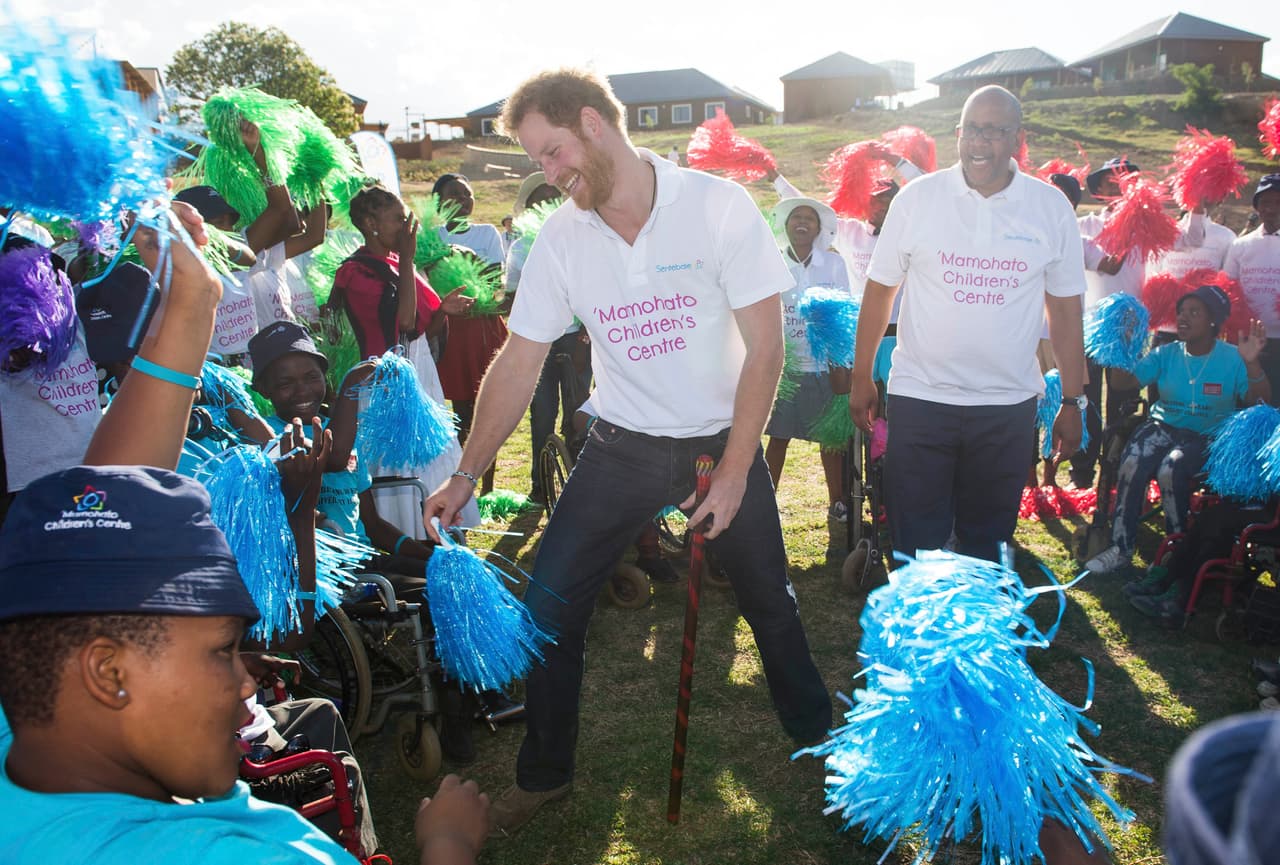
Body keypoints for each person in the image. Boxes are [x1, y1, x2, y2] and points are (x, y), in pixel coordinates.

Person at [424, 68, 832, 836]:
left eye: (551, 153)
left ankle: (816, 733)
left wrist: (740, 468)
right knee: (546, 608)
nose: (547, 175)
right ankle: (544, 775)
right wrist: (466, 470)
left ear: (592, 122)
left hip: (720, 445)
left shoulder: (715, 206)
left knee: (769, 598)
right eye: (538, 162)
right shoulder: (561, 238)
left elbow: (766, 347)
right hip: (620, 447)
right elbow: (520, 360)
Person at [848, 85, 1087, 563]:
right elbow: (880, 292)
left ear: (1018, 138)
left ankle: (973, 633)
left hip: (1006, 405)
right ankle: (919, 635)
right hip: (922, 398)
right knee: (916, 543)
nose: (981, 142)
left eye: (995, 131)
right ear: (958, 133)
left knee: (985, 543)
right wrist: (860, 377)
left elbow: (1063, 311)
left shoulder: (1050, 208)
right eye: (972, 129)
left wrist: (1075, 400)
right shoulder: (918, 198)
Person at [1083, 285, 1270, 576]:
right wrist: (1122, 347)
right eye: (1181, 312)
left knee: (1173, 467)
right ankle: (1120, 548)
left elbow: (1260, 402)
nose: (1183, 318)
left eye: (1193, 312)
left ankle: (1177, 550)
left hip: (1208, 435)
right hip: (1163, 426)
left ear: (1213, 321)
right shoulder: (1165, 353)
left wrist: (1252, 362)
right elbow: (1122, 385)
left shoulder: (1233, 357)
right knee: (1132, 461)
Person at [763, 196, 851, 527]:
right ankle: (765, 501)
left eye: (809, 219)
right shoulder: (770, 261)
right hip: (784, 367)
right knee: (778, 437)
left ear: (818, 228)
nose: (802, 222)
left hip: (822, 366)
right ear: (786, 226)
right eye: (795, 217)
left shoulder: (833, 264)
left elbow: (842, 312)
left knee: (830, 441)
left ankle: (838, 501)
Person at [506, 171, 592, 505]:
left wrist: (586, 337)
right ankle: (542, 485)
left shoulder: (581, 237)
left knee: (579, 410)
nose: (546, 204)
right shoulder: (521, 246)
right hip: (539, 342)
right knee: (541, 412)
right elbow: (512, 295)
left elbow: (594, 291)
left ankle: (581, 481)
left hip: (575, 339)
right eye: (538, 200)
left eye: (552, 198)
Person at [1069, 156, 1144, 490]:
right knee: (1085, 399)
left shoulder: (1149, 227)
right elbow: (1105, 265)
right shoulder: (1084, 226)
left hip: (1129, 326)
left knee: (1122, 401)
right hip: (1090, 324)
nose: (1119, 186)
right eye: (1112, 181)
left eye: (1126, 180)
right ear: (1098, 189)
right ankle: (1082, 470)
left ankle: (1115, 471)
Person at [432, 173, 508, 496]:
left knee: (485, 408)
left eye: (468, 193)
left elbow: (492, 280)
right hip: (448, 329)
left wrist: (461, 259)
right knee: (458, 410)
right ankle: (458, 481)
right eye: (454, 194)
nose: (464, 200)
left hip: (480, 328)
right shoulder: (430, 236)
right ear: (438, 201)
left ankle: (486, 489)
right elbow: (428, 278)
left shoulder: (487, 233)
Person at [1224, 174, 1280, 388]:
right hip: (1246, 342)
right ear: (1257, 207)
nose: (1272, 208)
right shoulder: (1240, 245)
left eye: (1278, 202)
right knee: (1247, 400)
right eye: (1265, 202)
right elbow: (1228, 287)